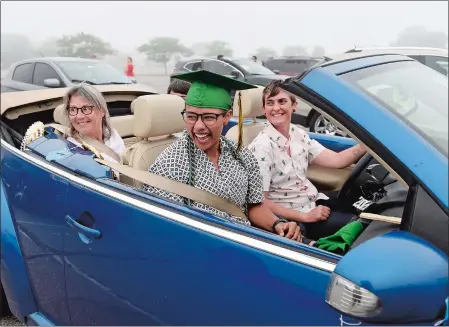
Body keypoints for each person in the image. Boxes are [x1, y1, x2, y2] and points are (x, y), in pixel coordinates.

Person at [143, 70, 301, 241]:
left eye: (209, 117)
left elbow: (253, 205)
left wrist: (278, 224)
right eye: (191, 117)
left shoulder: (240, 153)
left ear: (226, 117)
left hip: (246, 240)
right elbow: (168, 231)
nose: (198, 126)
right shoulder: (170, 165)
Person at [249, 80, 367, 240]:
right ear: (264, 109)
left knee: (365, 213)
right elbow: (259, 202)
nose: (276, 108)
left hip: (313, 201)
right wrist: (305, 217)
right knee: (359, 227)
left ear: (294, 105)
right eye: (270, 103)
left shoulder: (297, 134)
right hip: (292, 219)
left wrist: (367, 145)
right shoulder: (262, 147)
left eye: (282, 101)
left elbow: (337, 160)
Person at [60, 83, 126, 164]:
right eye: (73, 109)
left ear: (102, 111)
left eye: (86, 108)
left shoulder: (111, 134)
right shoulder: (73, 149)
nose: (79, 116)